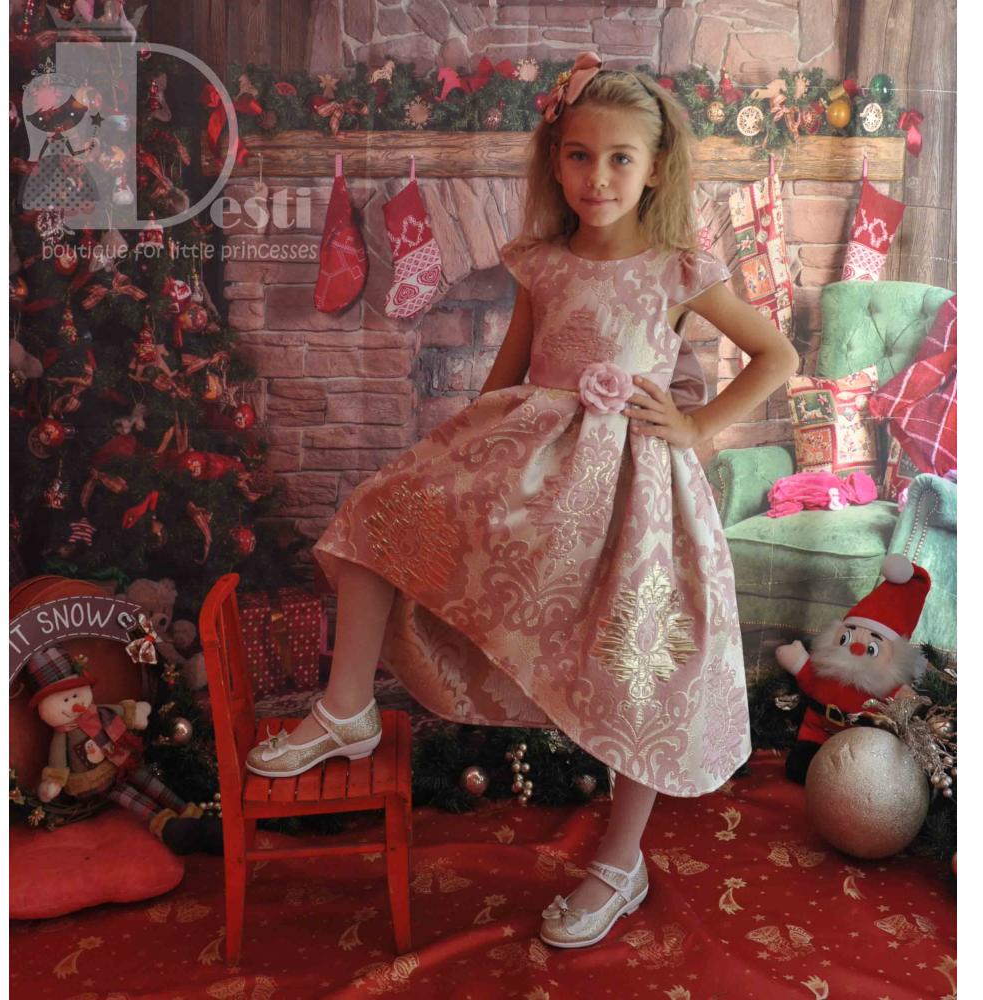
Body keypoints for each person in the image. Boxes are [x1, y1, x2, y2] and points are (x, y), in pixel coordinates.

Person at [247, 51, 799, 949]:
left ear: (656, 167)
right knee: (376, 515)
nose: (597, 177)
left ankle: (619, 861)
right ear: (555, 161)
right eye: (578, 155)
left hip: (634, 494)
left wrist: (699, 428)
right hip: (536, 467)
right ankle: (347, 706)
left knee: (638, 662)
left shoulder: (678, 269)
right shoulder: (543, 263)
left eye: (620, 158)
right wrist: (454, 464)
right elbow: (505, 381)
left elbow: (778, 356)